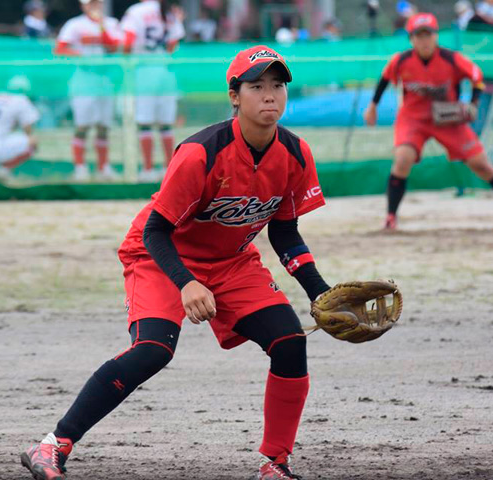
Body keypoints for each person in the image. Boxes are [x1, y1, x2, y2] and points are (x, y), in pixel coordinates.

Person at [20, 44, 330, 480]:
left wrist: (322, 294)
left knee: (289, 342)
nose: (269, 95)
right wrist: (186, 283)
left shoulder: (295, 154)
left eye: (277, 85)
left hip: (231, 261)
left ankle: (274, 464)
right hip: (161, 255)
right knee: (153, 350)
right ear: (234, 96)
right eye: (256, 86)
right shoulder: (201, 152)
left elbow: (284, 233)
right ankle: (53, 444)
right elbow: (156, 231)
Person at [363, 13, 493, 231]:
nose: (424, 40)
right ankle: (390, 217)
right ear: (411, 39)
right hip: (413, 119)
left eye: (428, 35)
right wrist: (373, 105)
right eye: (418, 36)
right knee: (403, 159)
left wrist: (473, 102)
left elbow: (477, 76)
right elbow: (385, 78)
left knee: (483, 165)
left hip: (447, 120)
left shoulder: (451, 59)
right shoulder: (402, 60)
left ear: (435, 36)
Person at [55, 0, 121, 182]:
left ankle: (103, 167)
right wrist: (82, 56)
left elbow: (115, 46)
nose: (91, 6)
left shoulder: (111, 23)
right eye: (88, 3)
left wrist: (100, 25)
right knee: (82, 125)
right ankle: (80, 167)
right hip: (84, 77)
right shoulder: (75, 24)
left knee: (103, 125)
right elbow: (60, 48)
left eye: (94, 2)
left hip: (104, 78)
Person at [121, 0, 186, 183]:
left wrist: (126, 63)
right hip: (165, 69)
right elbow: (172, 45)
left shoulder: (136, 11)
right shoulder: (169, 10)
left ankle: (148, 168)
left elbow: (128, 41)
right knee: (166, 124)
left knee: (145, 123)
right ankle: (168, 168)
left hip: (144, 69)